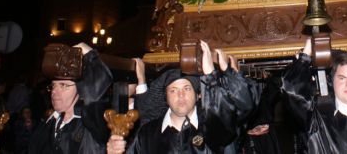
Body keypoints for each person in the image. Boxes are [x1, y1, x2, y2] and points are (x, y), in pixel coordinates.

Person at [106, 40, 256, 153]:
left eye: (186, 88)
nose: (181, 95)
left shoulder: (214, 126)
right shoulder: (148, 134)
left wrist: (214, 75)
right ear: (166, 97)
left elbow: (243, 107)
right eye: (173, 90)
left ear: (198, 95)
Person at [0, 42, 112, 154]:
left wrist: (89, 54)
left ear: (80, 89)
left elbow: (99, 86)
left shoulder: (91, 124)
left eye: (64, 85)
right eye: (53, 86)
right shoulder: (48, 122)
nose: (54, 91)